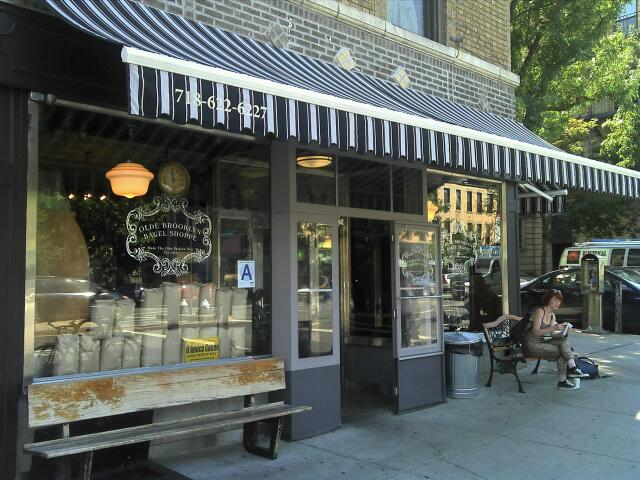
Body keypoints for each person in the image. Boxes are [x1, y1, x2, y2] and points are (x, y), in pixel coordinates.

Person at [522, 289, 590, 390]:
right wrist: (553, 328)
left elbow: (552, 334)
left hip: (542, 341)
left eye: (559, 300)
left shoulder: (552, 315)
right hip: (531, 344)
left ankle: (573, 369)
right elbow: (535, 332)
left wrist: (563, 332)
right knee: (562, 353)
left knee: (563, 341)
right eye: (555, 300)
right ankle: (563, 380)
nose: (558, 303)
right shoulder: (540, 311)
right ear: (548, 300)